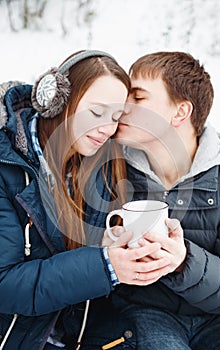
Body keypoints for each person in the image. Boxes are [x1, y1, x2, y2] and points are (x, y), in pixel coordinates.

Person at [0, 50, 164, 350]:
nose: (107, 128)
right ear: (57, 100)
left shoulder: (97, 164)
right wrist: (105, 265)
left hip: (78, 332)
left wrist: (113, 243)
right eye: (96, 111)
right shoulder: (7, 169)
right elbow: (4, 284)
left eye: (116, 117)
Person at [112, 51, 220, 349]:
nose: (121, 109)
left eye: (137, 98)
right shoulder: (111, 165)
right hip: (147, 312)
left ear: (180, 112)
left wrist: (183, 261)